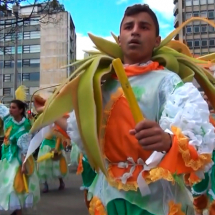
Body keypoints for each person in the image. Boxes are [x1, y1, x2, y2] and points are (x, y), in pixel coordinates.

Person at [32, 4, 215, 215]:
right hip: (109, 195)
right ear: (120, 39)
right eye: (129, 26)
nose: (135, 31)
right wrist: (49, 112)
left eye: (144, 27)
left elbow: (192, 135)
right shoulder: (100, 84)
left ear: (157, 40)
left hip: (156, 198)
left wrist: (167, 141)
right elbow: (81, 129)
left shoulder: (167, 81)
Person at [0, 100, 40, 215]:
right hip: (8, 157)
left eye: (13, 108)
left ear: (20, 110)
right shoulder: (7, 120)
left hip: (20, 158)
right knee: (7, 184)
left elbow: (25, 147)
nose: (10, 110)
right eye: (10, 107)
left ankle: (18, 210)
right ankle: (17, 210)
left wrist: (24, 164)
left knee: (17, 184)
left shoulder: (26, 124)